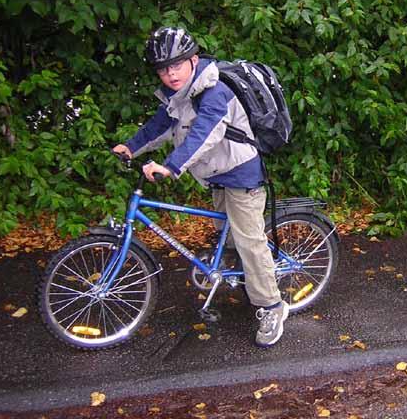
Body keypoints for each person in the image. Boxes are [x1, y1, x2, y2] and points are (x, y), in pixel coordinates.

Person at [112, 26, 288, 347]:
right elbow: (159, 126)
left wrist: (171, 166)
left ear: (193, 60)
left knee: (249, 241)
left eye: (176, 65)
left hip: (241, 173)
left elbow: (204, 134)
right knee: (229, 233)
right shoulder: (179, 94)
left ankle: (271, 306)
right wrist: (130, 146)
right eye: (163, 69)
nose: (170, 74)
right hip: (217, 173)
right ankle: (243, 279)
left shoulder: (214, 91)